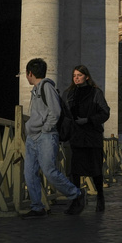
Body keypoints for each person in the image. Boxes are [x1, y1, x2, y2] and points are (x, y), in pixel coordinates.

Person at [22, 58, 86, 217]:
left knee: (49, 171)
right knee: (29, 173)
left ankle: (76, 194)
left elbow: (55, 112)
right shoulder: (36, 89)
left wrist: (45, 129)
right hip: (33, 137)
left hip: (45, 136)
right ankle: (37, 206)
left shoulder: (46, 87)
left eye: (26, 74)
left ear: (30, 73)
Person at [64, 65, 111, 212]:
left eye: (79, 75)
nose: (76, 78)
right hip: (76, 136)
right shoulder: (69, 93)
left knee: (96, 169)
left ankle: (100, 197)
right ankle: (76, 199)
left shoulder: (96, 93)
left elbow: (105, 113)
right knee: (75, 171)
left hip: (92, 136)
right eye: (74, 75)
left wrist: (89, 120)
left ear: (87, 77)